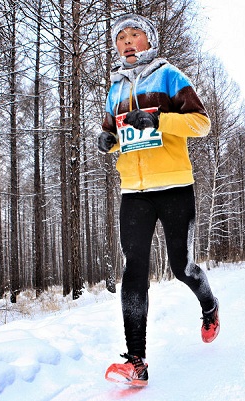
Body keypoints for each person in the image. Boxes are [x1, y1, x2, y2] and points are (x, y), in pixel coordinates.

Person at [98, 13, 219, 387]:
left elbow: (201, 123)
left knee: (182, 267)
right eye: (122, 37)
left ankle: (209, 306)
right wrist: (106, 142)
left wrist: (161, 120)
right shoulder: (114, 88)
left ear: (148, 41)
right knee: (133, 269)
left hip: (174, 186)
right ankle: (136, 361)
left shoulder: (169, 75)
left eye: (135, 35)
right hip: (133, 190)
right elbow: (111, 132)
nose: (128, 42)